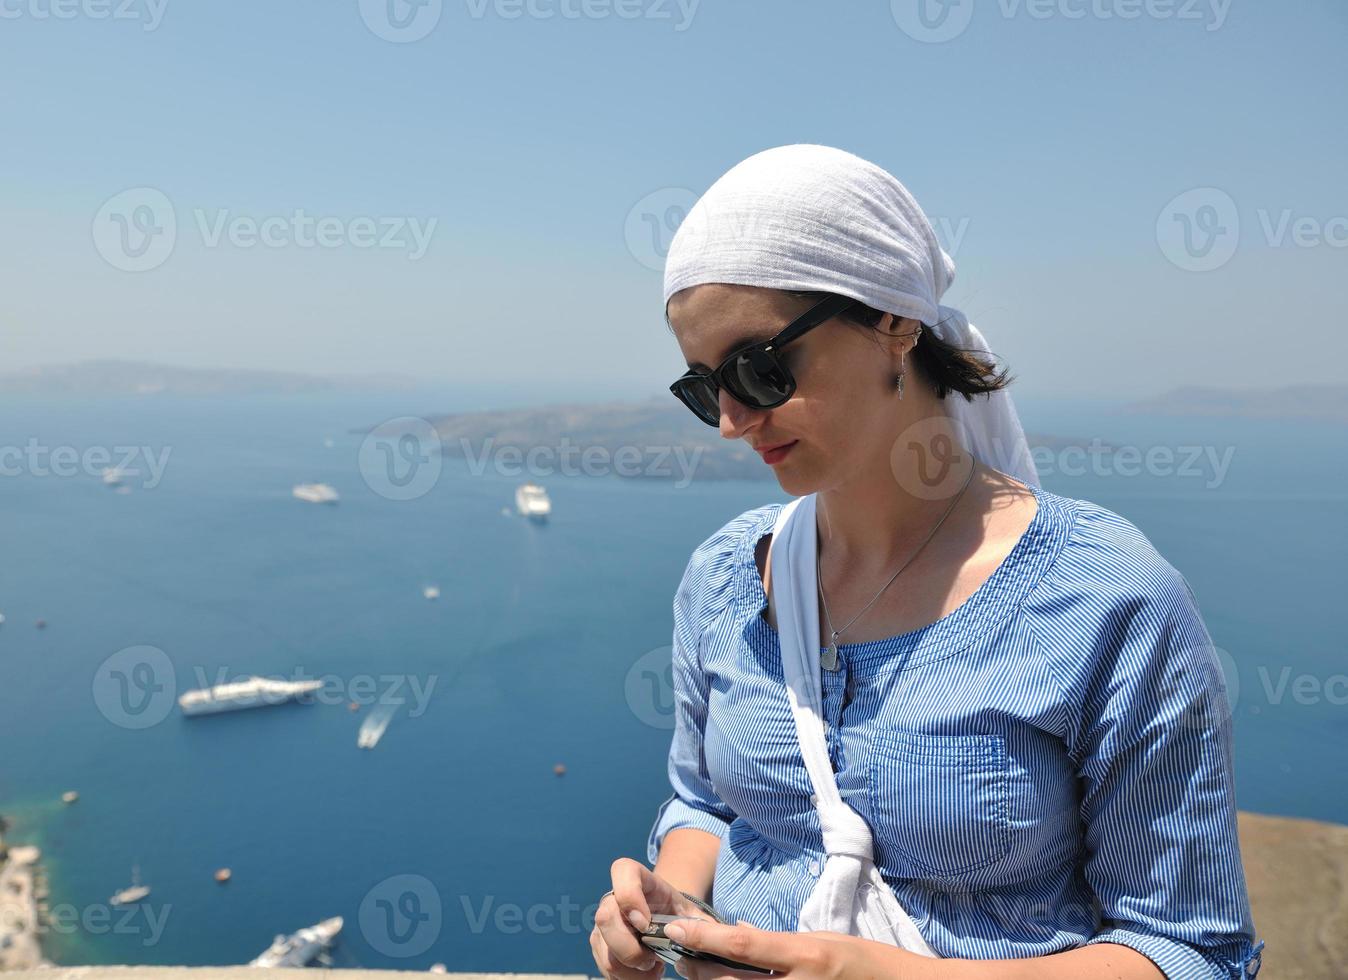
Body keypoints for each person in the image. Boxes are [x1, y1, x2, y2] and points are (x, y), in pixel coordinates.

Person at [589, 145, 1262, 980]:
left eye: (759, 370)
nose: (730, 421)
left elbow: (1192, 950)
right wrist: (671, 898)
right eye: (702, 387)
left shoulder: (1107, 599)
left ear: (893, 323)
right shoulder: (728, 578)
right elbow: (707, 804)